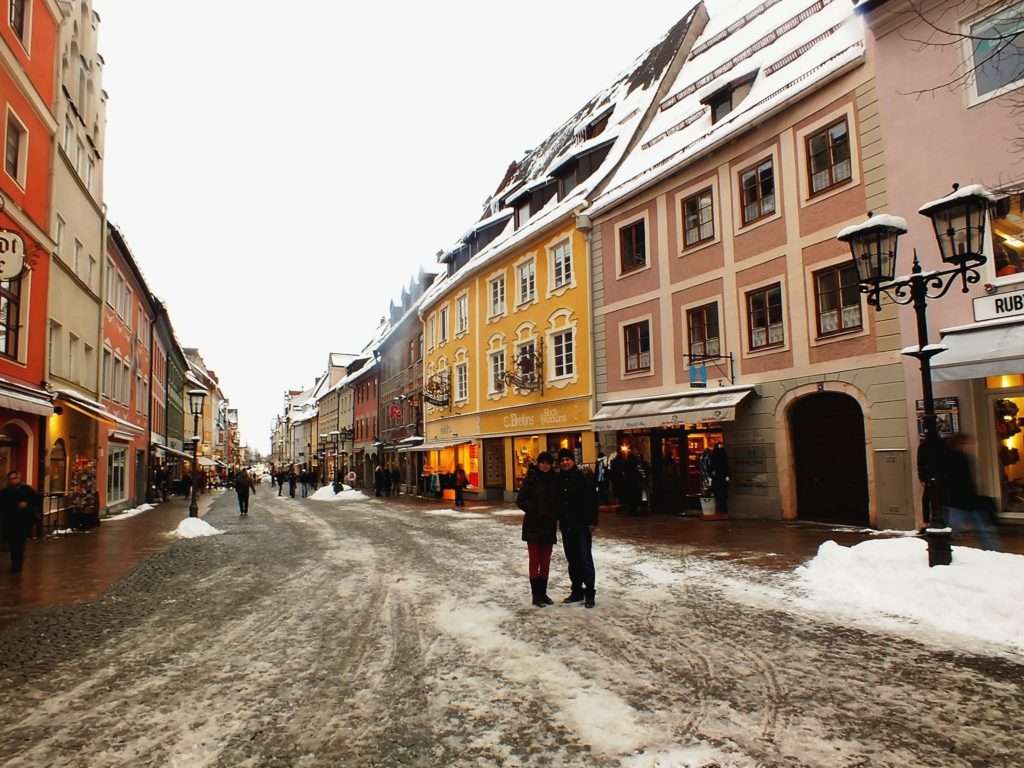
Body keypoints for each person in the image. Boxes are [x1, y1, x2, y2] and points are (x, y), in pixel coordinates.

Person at [941, 433, 1001, 551]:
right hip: (963, 500)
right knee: (982, 528)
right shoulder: (959, 457)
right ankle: (993, 550)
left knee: (955, 529)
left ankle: (946, 549)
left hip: (958, 500)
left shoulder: (951, 457)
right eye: (964, 443)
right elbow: (964, 480)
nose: (967, 445)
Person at [556, 448, 598, 608]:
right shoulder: (558, 479)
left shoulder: (582, 477)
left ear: (573, 461)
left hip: (581, 525)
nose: (565, 462)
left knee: (585, 559)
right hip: (567, 526)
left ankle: (589, 593)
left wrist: (593, 521)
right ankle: (576, 591)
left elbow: (592, 500)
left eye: (567, 459)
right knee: (572, 560)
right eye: (562, 460)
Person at [516, 452, 559, 607]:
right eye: (542, 462)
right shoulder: (531, 479)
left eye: (548, 463)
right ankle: (536, 596)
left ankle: (543, 593)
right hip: (533, 525)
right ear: (538, 464)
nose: (545, 465)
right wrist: (534, 510)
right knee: (535, 561)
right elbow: (520, 500)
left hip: (548, 525)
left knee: (546, 561)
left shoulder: (555, 479)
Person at [0, 471, 39, 575]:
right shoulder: (5, 491)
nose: (12, 481)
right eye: (10, 479)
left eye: (14, 478)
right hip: (10, 522)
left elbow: (36, 500)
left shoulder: (27, 490)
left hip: (22, 522)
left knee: (19, 544)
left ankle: (17, 565)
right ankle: (15, 563)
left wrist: (26, 504)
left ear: (18, 478)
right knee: (12, 545)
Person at [710, 443, 730, 515]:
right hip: (720, 478)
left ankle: (722, 508)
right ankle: (722, 508)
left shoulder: (715, 455)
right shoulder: (721, 455)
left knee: (720, 494)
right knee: (721, 494)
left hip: (719, 478)